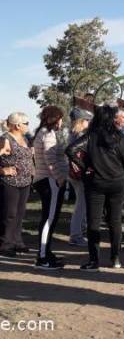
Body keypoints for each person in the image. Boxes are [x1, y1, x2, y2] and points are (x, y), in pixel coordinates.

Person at [66, 105, 124, 271]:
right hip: (117, 182)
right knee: (115, 221)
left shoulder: (91, 136)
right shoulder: (121, 137)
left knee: (94, 222)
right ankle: (115, 258)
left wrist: (86, 167)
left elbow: (71, 150)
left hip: (95, 182)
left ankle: (94, 261)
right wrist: (123, 176)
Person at [32, 106, 68, 270]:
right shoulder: (48, 135)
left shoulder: (45, 133)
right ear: (53, 119)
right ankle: (43, 258)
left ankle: (46, 252)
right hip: (49, 181)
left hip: (47, 180)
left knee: (49, 218)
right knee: (48, 219)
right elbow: (50, 160)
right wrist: (60, 179)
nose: (61, 121)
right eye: (60, 118)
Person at [0, 113, 33, 258]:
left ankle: (17, 242)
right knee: (10, 214)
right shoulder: (4, 139)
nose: (28, 125)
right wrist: (2, 170)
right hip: (10, 183)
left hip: (25, 182)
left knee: (20, 214)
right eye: (26, 123)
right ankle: (5, 245)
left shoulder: (25, 138)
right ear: (18, 125)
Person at [67, 108, 93, 247]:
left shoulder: (72, 133)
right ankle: (76, 235)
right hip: (79, 174)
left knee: (81, 204)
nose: (89, 122)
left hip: (73, 174)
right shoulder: (80, 135)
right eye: (87, 120)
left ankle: (79, 232)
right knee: (81, 206)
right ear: (81, 121)